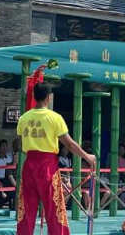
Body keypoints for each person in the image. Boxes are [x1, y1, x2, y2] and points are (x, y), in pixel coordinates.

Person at [16, 82, 95, 235]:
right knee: (54, 208)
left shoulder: (24, 118)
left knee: (26, 209)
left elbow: (19, 144)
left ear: (34, 96)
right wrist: (87, 156)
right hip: (47, 166)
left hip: (29, 165)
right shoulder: (54, 118)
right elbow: (69, 144)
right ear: (48, 97)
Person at [0, 138, 15, 207]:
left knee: (12, 191)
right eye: (3, 146)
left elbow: (10, 171)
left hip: (6, 180)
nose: (4, 148)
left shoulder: (9, 158)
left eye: (6, 146)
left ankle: (11, 206)